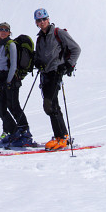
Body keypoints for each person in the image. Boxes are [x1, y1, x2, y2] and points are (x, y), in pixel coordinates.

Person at [33, 8, 81, 150]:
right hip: (45, 74)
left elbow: (76, 49)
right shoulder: (40, 38)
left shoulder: (58, 33)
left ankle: (61, 137)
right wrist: (38, 62)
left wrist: (67, 65)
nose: (41, 22)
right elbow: (40, 56)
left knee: (50, 105)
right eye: (38, 20)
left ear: (48, 19)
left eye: (43, 19)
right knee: (52, 105)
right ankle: (62, 135)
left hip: (56, 72)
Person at [0, 22, 33, 145]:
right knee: (0, 107)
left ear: (9, 32)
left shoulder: (12, 45)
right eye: (1, 29)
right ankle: (13, 132)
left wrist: (8, 81)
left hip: (11, 79)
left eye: (6, 30)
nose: (3, 31)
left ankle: (25, 132)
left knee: (13, 105)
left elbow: (13, 64)